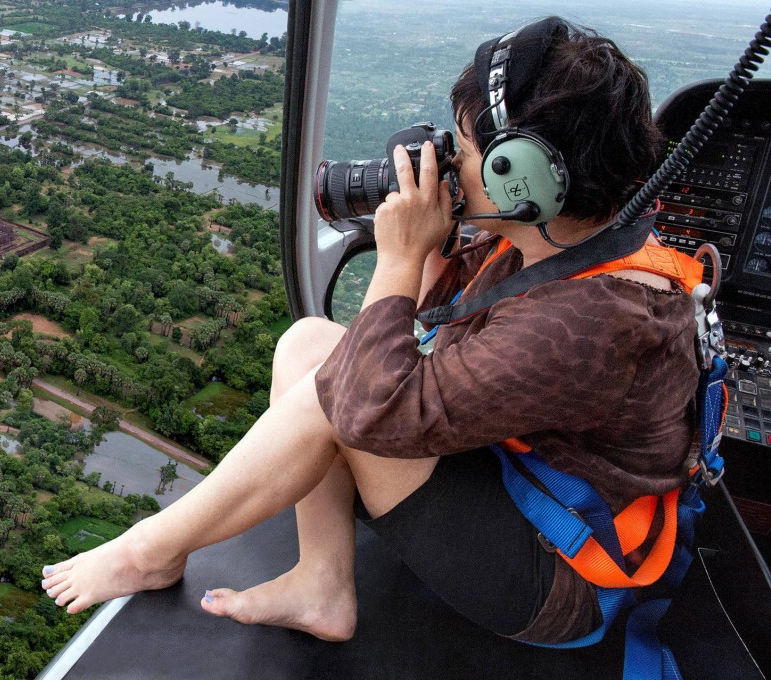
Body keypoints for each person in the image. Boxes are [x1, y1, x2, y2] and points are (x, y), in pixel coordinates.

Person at [40, 18, 699, 645]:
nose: (449, 161)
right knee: (308, 343)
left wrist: (399, 256)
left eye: (465, 151)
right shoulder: (572, 238)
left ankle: (151, 552)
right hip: (530, 484)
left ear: (521, 177)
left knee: (340, 387)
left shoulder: (588, 321)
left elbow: (371, 411)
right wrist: (438, 248)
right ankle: (321, 583)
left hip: (558, 574)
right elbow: (440, 334)